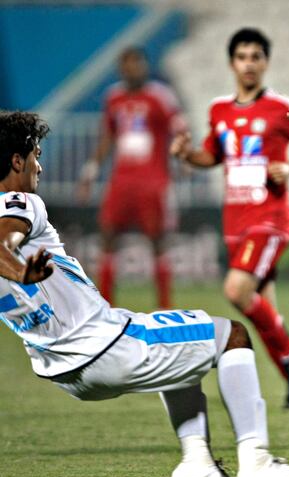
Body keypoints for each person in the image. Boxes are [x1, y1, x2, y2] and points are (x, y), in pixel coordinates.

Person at [0, 111, 289, 477]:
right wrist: (20, 272)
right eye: (36, 154)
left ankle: (198, 464)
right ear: (17, 160)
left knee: (180, 350)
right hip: (105, 346)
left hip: (61, 370)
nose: (40, 165)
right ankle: (256, 461)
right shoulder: (21, 202)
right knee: (232, 335)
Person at [171, 28, 289, 408]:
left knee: (237, 291)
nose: (249, 64)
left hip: (269, 220)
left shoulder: (280, 108)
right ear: (231, 64)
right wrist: (186, 154)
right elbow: (212, 155)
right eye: (242, 57)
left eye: (256, 56)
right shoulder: (219, 110)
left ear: (265, 62)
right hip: (234, 224)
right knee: (265, 311)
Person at [78, 47, 187, 309]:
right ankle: (105, 306)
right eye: (126, 64)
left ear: (144, 66)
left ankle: (164, 307)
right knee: (107, 236)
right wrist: (91, 169)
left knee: (157, 241)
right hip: (121, 181)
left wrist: (183, 157)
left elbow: (179, 128)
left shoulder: (159, 96)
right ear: (120, 68)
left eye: (136, 63)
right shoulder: (114, 97)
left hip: (153, 182)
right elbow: (108, 136)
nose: (132, 69)